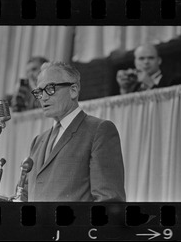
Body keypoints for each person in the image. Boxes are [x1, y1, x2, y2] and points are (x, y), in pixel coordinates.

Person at [23, 61, 126, 202]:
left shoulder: (99, 130)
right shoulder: (38, 141)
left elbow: (109, 199)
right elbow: (24, 196)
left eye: (50, 88)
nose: (44, 97)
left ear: (73, 90)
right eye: (39, 92)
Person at [116, 44, 181, 94]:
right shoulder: (134, 85)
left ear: (159, 60)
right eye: (141, 58)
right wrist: (124, 88)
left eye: (151, 58)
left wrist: (150, 84)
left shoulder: (175, 80)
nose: (146, 62)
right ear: (135, 62)